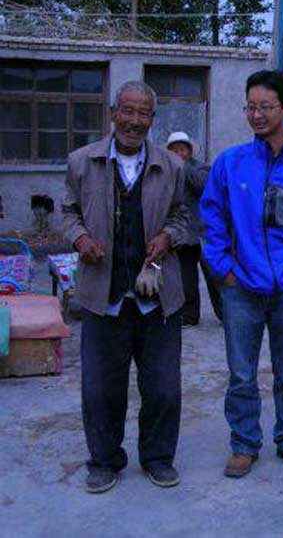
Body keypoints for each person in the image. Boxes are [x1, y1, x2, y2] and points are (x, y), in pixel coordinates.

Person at [201, 70, 283, 478]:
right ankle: (244, 444)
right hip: (240, 288)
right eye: (251, 107)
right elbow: (212, 221)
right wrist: (225, 272)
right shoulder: (230, 164)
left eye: (266, 107)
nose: (257, 115)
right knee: (241, 374)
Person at [62, 80, 188, 493]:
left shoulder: (171, 165)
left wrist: (168, 237)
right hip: (105, 297)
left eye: (144, 114)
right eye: (128, 111)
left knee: (164, 388)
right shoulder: (82, 162)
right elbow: (68, 213)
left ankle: (157, 457)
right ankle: (104, 460)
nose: (135, 121)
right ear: (113, 113)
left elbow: (182, 217)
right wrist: (81, 239)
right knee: (100, 390)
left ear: (153, 119)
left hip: (158, 301)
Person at [166, 131, 222, 325]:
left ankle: (226, 314)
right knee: (186, 279)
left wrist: (183, 167)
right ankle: (189, 315)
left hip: (205, 233)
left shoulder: (202, 168)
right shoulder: (167, 172)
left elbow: (203, 185)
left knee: (215, 276)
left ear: (189, 151)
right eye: (174, 151)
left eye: (182, 150)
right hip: (184, 234)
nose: (178, 154)